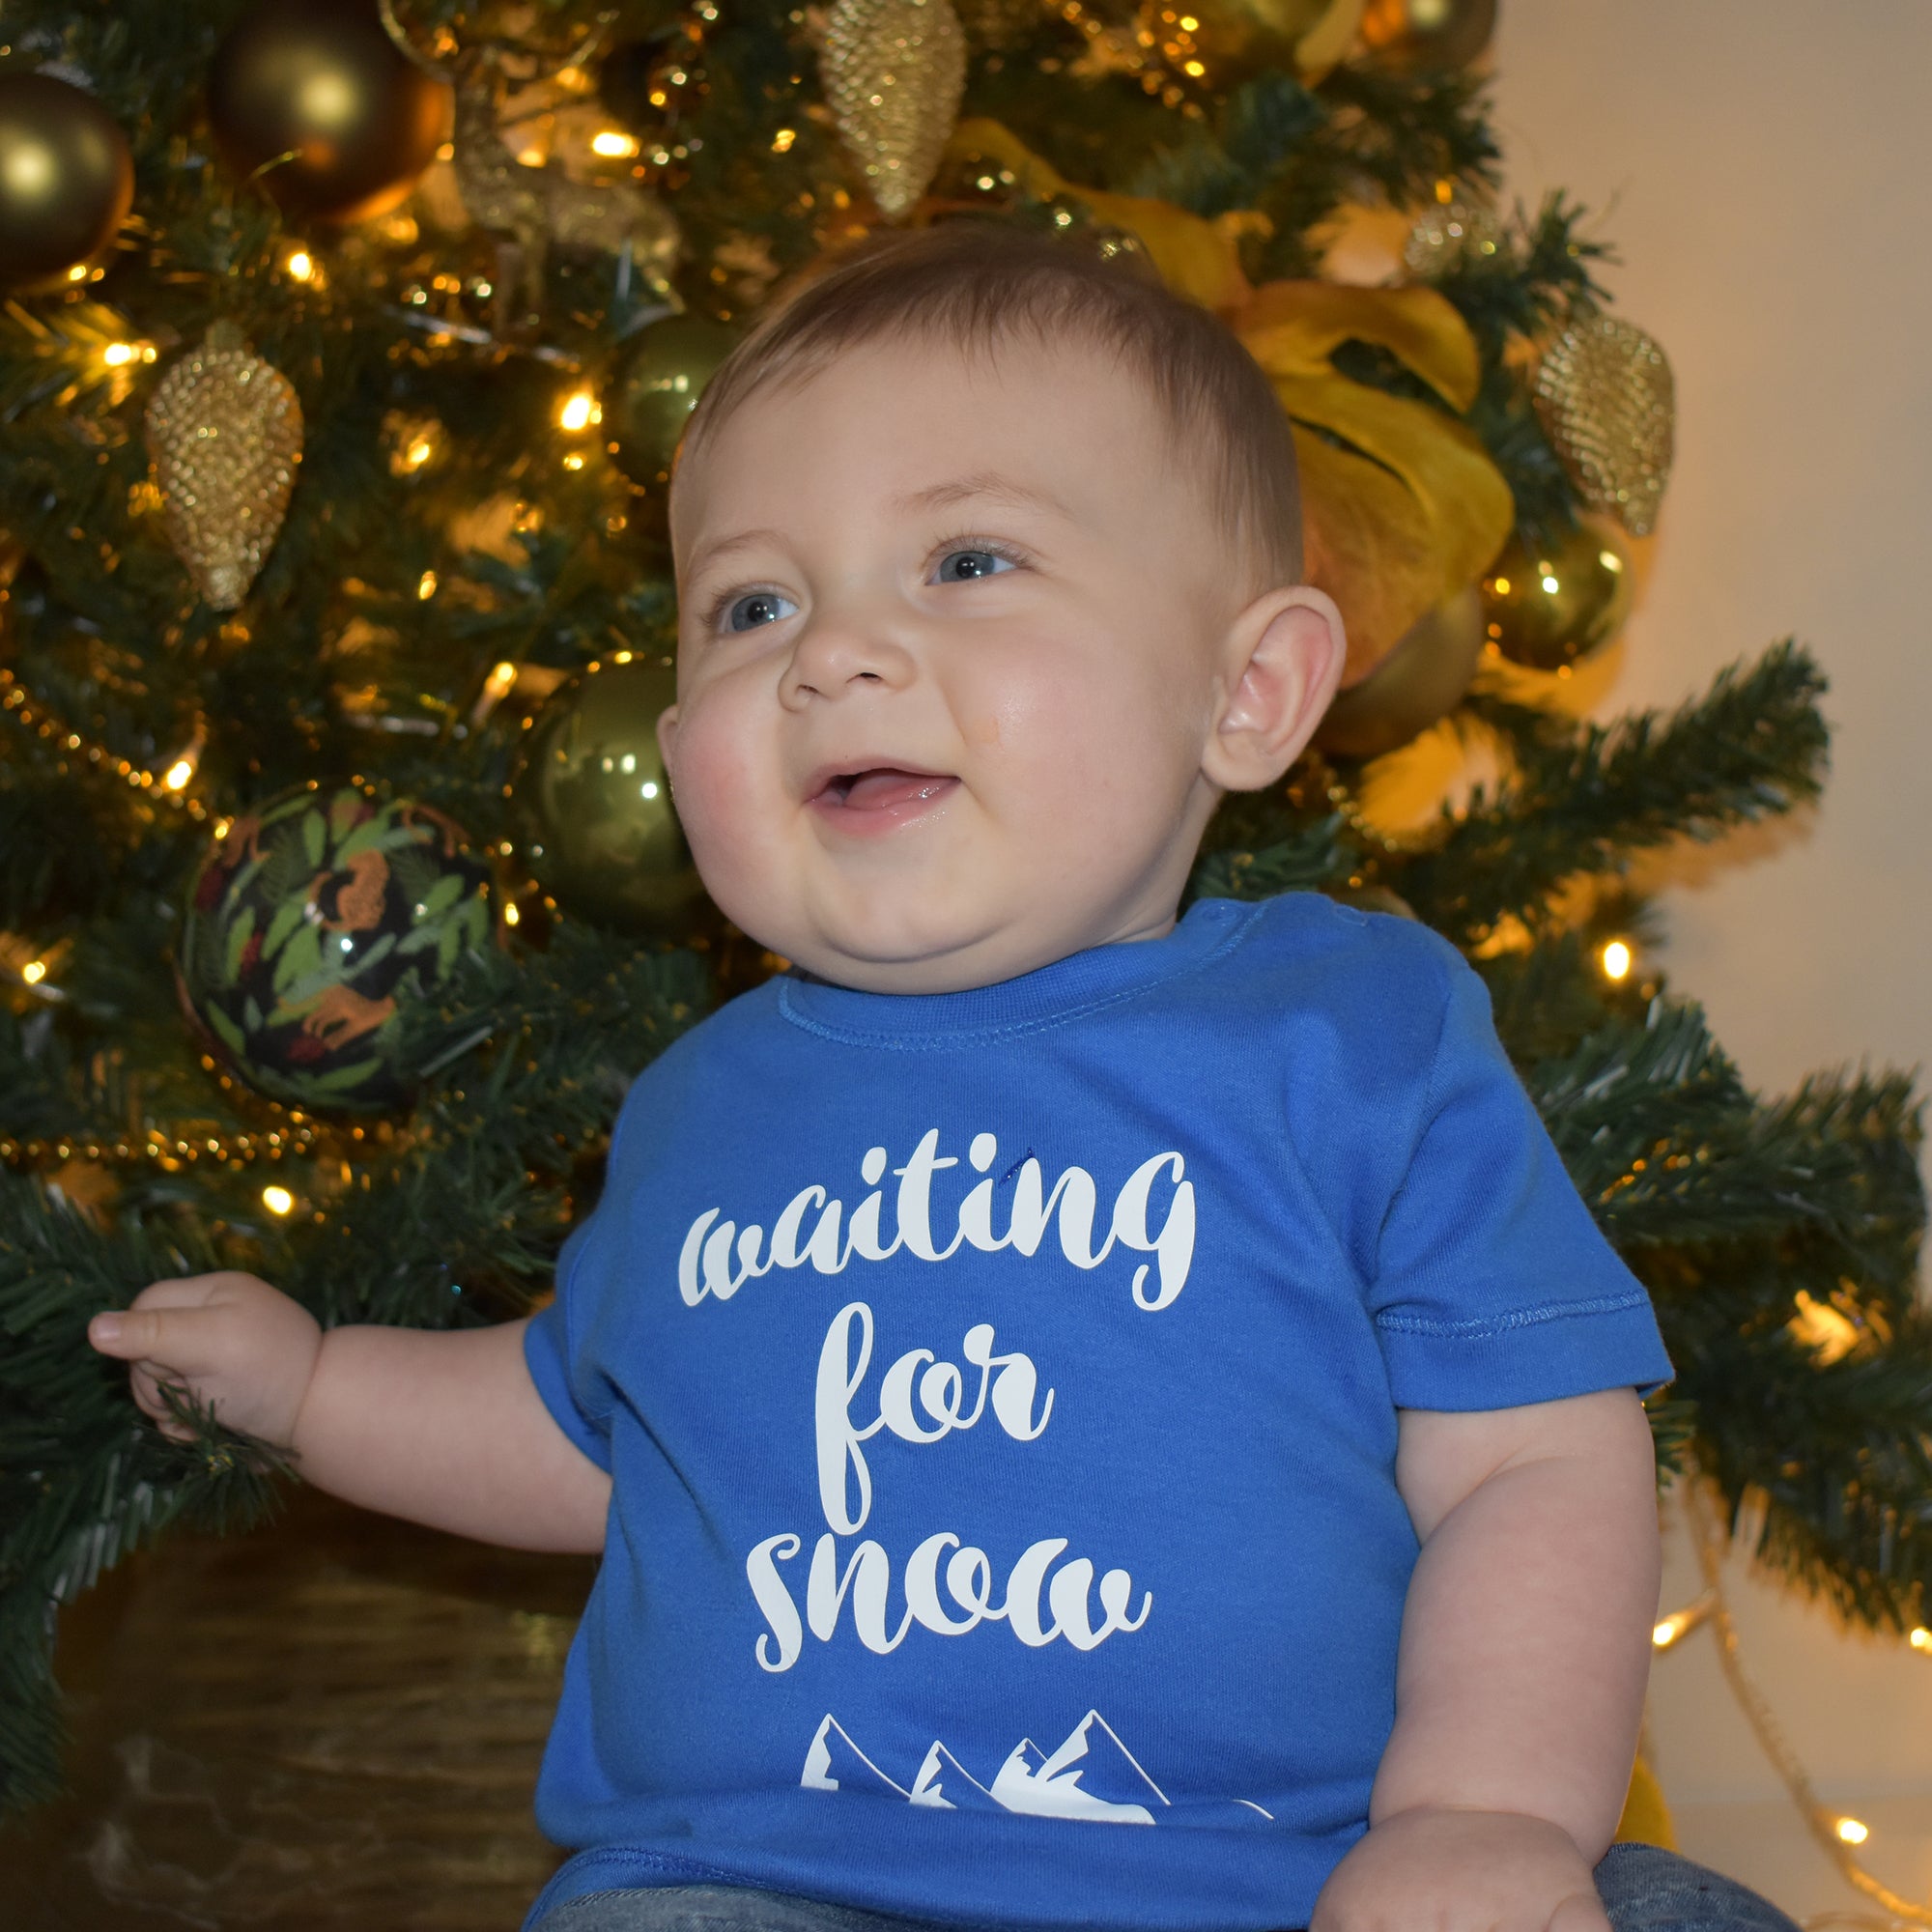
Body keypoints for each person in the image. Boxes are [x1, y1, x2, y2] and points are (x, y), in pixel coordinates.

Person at [88, 224, 1799, 1932]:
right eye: (752, 606)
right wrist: (313, 1389)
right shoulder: (696, 1107)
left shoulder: (1351, 1032)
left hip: (1312, 1885)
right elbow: (580, 1430)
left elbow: (1529, 1464)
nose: (830, 653)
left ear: (1249, 690)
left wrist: (1483, 1816)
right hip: (766, 1890)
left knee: (1675, 1916)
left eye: (967, 561)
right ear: (680, 750)